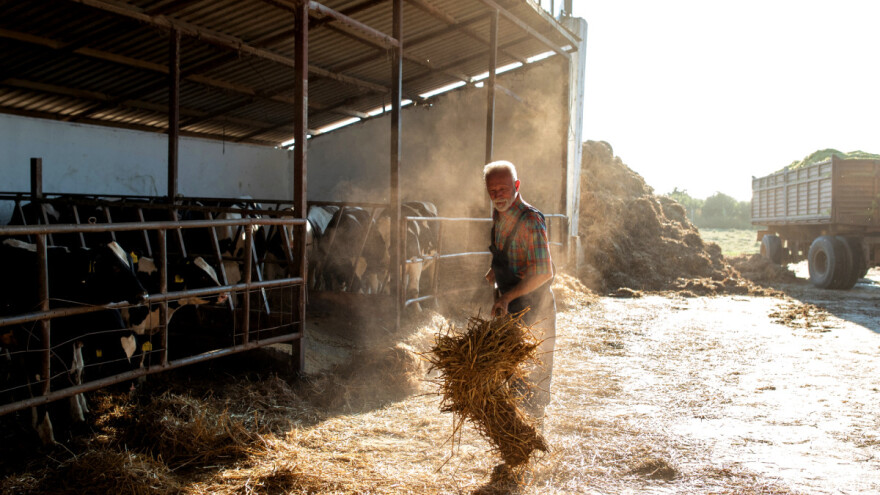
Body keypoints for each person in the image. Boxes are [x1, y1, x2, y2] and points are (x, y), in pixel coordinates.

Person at [483, 160, 556, 417]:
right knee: (509, 372)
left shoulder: (531, 220)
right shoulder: (498, 215)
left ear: (516, 185)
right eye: (492, 190)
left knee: (533, 374)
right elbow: (507, 253)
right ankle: (513, 434)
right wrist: (496, 269)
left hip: (534, 306)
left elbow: (544, 272)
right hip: (510, 305)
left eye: (502, 188)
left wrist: (507, 297)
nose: (497, 195)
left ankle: (533, 434)